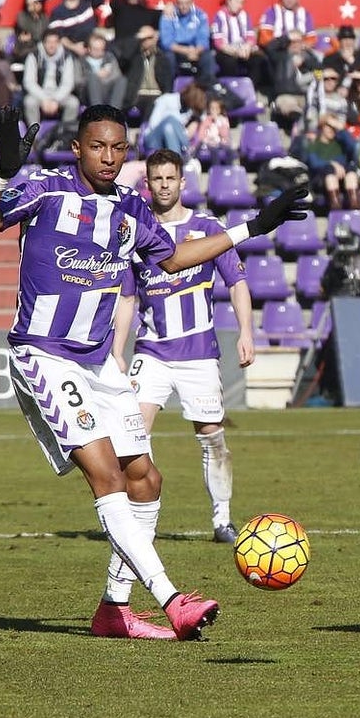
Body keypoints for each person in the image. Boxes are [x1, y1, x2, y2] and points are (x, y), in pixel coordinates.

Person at [0, 104, 307, 641]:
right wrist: (4, 172)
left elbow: (172, 259)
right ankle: (172, 599)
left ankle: (113, 609)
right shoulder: (46, 190)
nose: (108, 156)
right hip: (45, 354)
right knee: (106, 476)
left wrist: (254, 227)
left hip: (100, 361)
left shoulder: (130, 207)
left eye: (118, 148)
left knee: (146, 477)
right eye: (97, 146)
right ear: (77, 148)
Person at [112, 149, 253, 545]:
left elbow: (237, 283)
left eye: (170, 179)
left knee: (212, 437)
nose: (163, 186)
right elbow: (127, 298)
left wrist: (246, 332)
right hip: (152, 353)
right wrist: (117, 350)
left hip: (199, 355)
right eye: (156, 179)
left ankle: (222, 520)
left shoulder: (209, 228)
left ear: (182, 183)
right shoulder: (138, 232)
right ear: (148, 184)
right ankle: (140, 519)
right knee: (132, 434)